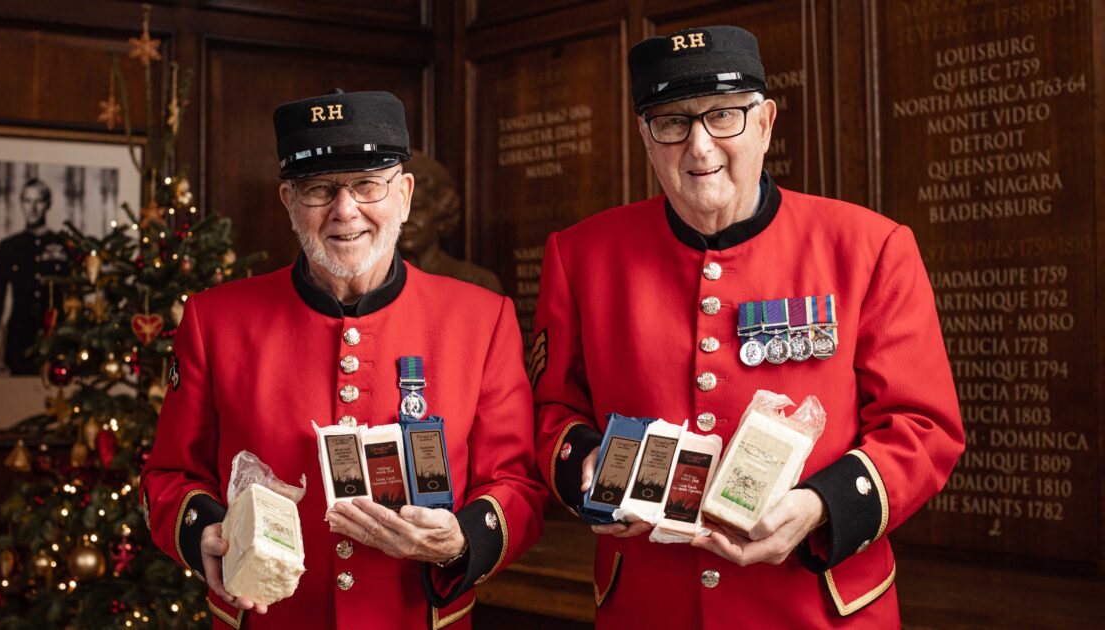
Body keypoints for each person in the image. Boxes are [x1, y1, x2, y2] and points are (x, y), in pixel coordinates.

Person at [532, 26, 963, 627]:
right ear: (645, 136)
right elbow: (553, 411)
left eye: (723, 117)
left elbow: (924, 427)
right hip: (649, 607)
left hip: (815, 607)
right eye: (672, 122)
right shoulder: (581, 256)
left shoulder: (870, 247)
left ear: (764, 122)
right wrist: (589, 478)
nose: (700, 147)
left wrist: (819, 506)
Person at [141, 90, 545, 629]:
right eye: (319, 189)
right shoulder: (215, 321)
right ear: (288, 201)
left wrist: (462, 537)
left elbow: (517, 483)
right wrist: (207, 533)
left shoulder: (480, 317)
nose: (345, 210)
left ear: (403, 195)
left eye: (366, 185)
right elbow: (168, 475)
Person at [0, 177, 64, 375]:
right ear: (21, 204)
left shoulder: (62, 245)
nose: (32, 208)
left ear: (48, 204)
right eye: (27, 201)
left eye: (39, 201)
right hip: (20, 337)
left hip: (58, 335)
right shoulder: (9, 247)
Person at [400, 151, 503, 293]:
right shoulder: (374, 284)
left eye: (417, 208)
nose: (406, 218)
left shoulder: (475, 281)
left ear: (442, 213)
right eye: (398, 209)